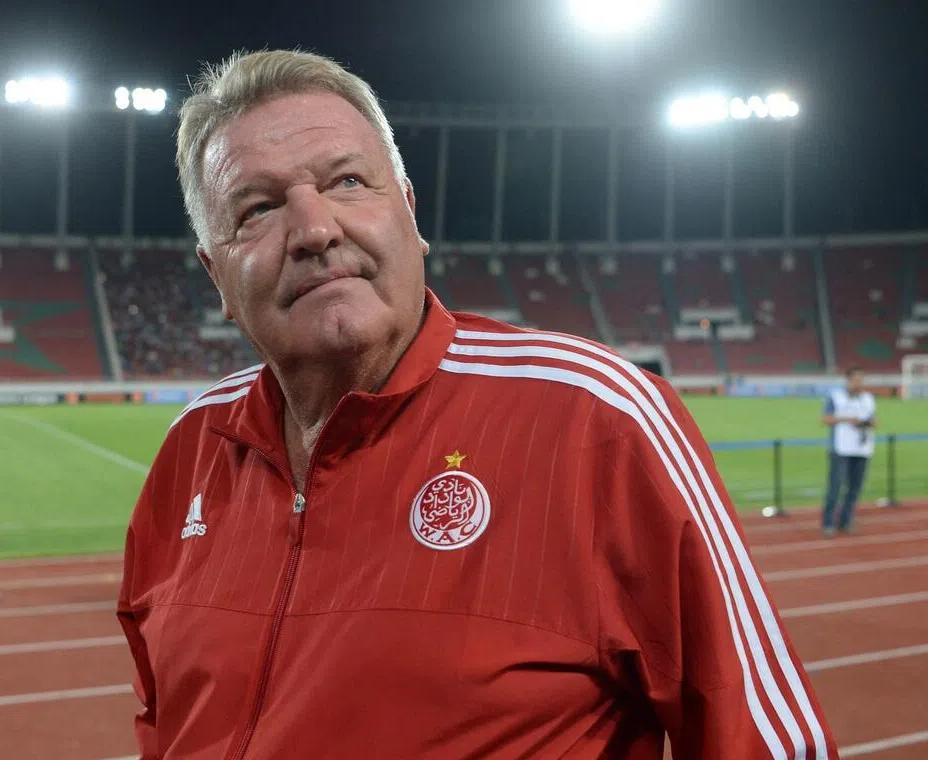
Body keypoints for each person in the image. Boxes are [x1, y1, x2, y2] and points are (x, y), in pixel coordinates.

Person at [117, 49, 837, 759]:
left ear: (408, 212)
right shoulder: (191, 450)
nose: (314, 230)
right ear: (216, 273)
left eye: (347, 181)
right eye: (258, 208)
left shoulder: (595, 420)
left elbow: (764, 740)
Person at [821, 366, 877, 536]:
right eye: (856, 380)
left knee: (855, 488)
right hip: (841, 448)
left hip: (862, 448)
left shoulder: (868, 398)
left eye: (862, 379)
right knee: (835, 487)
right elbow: (825, 418)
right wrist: (848, 419)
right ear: (848, 380)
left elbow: (874, 421)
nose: (859, 383)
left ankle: (846, 520)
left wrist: (867, 423)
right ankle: (828, 523)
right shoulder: (835, 396)